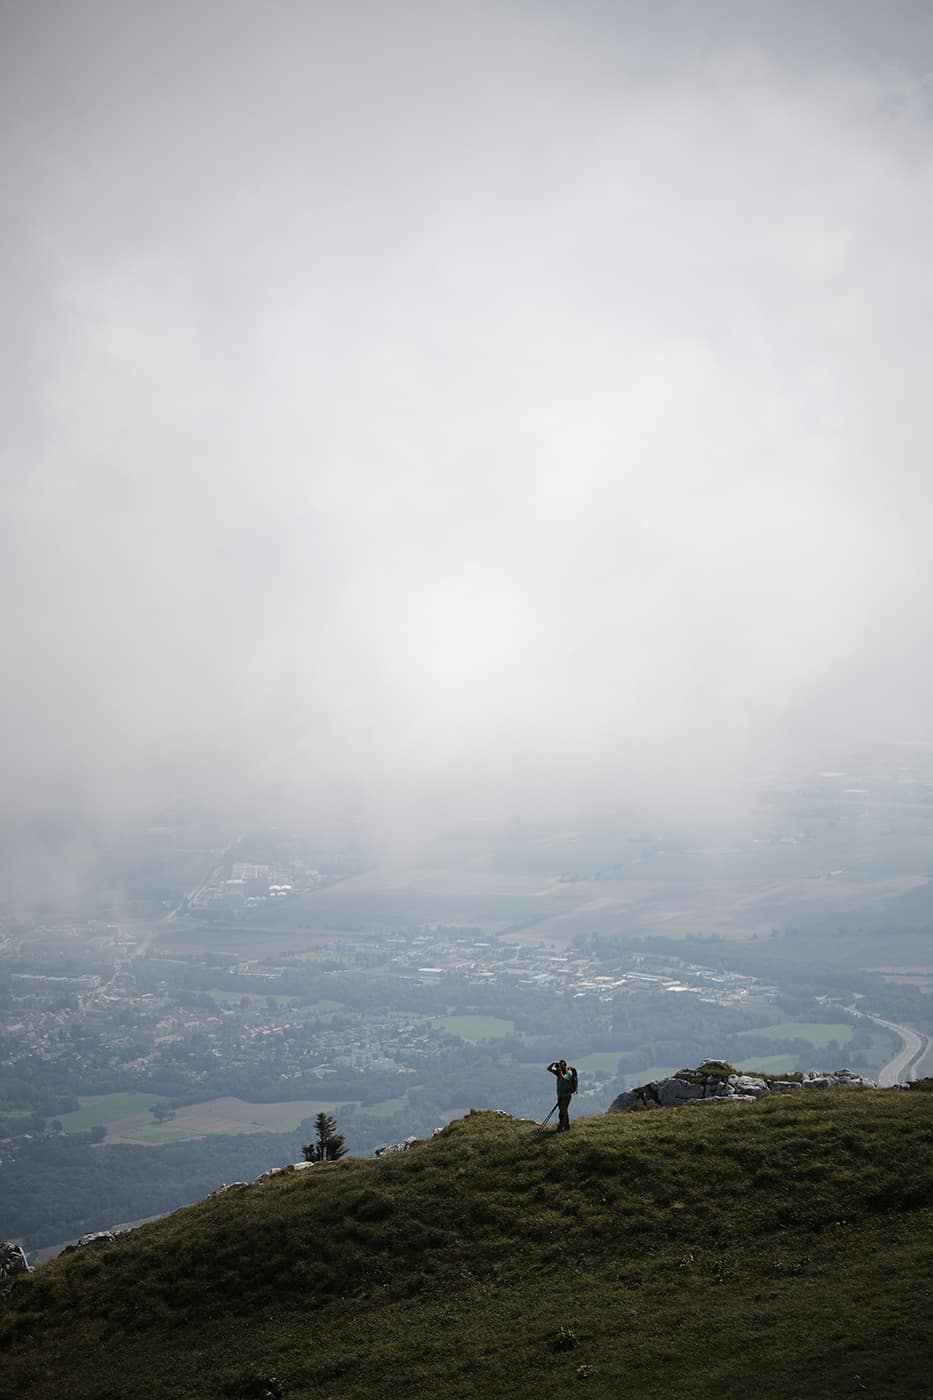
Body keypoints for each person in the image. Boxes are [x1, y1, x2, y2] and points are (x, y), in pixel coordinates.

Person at [546, 1058, 577, 1132]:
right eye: (559, 1065)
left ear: (565, 1066)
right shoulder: (559, 1072)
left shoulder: (569, 1073)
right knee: (564, 1110)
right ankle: (567, 1127)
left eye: (562, 1065)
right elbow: (548, 1069)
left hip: (566, 1096)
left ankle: (560, 1128)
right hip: (560, 1096)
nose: (560, 1067)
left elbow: (564, 1079)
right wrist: (553, 1063)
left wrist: (559, 1071)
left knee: (562, 1113)